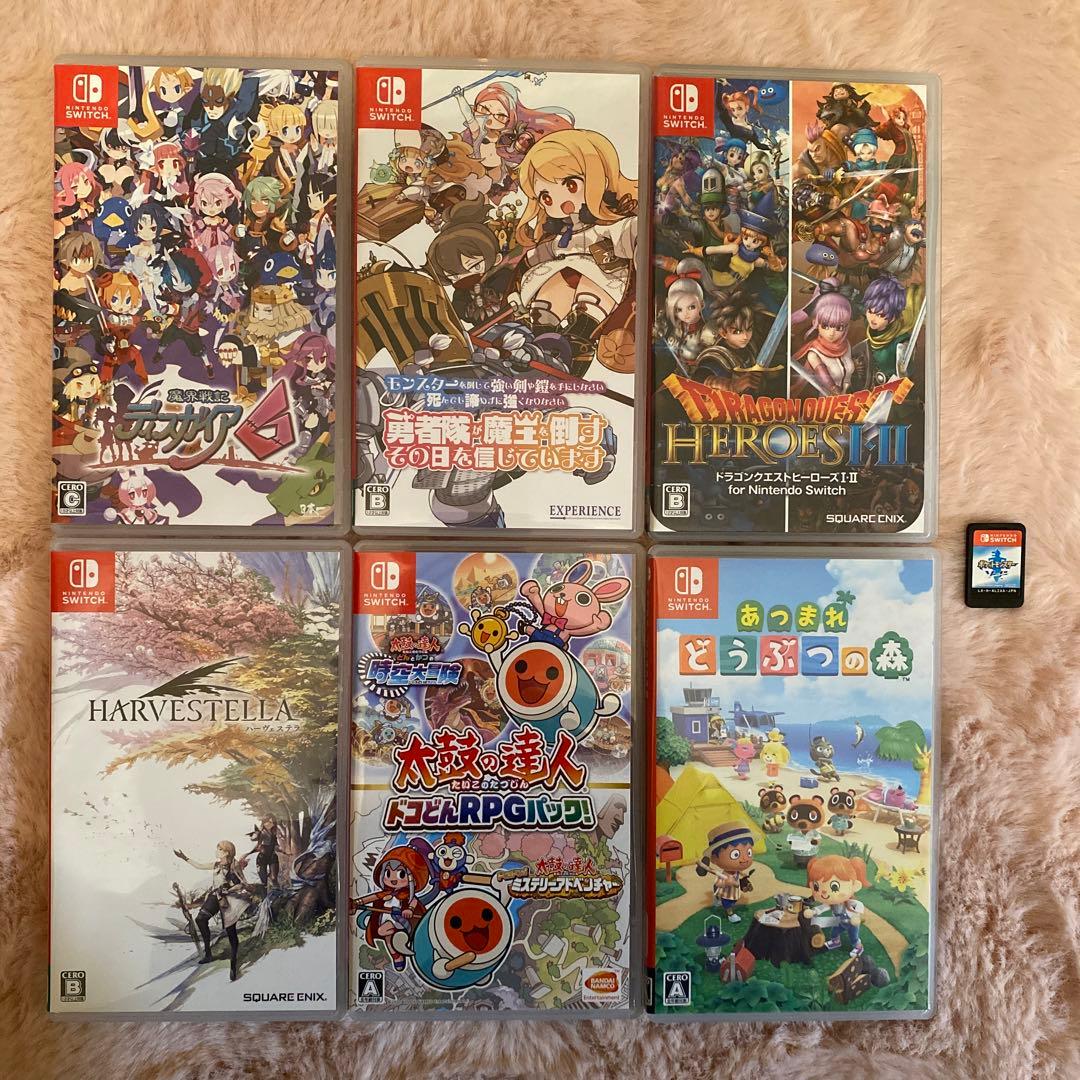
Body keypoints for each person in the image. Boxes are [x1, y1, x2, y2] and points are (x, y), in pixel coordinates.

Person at [175, 840, 253, 981]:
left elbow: (243, 883)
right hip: (216, 895)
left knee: (231, 931)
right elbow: (199, 866)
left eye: (219, 849)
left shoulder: (234, 865)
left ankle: (234, 964)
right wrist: (184, 857)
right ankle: (208, 954)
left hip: (229, 898)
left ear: (227, 852)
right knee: (201, 919)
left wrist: (229, 889)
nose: (216, 851)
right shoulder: (217, 864)